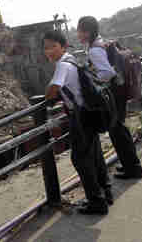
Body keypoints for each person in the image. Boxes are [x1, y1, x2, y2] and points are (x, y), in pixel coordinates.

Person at [43, 30, 111, 215]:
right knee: (95, 155)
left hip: (80, 116)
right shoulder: (72, 59)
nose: (49, 51)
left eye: (53, 47)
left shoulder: (62, 65)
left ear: (63, 46)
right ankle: (106, 192)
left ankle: (96, 202)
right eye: (46, 48)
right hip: (89, 112)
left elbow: (54, 88)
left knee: (80, 159)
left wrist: (46, 97)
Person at [77, 16, 142, 180]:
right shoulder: (102, 42)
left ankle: (133, 169)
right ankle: (132, 165)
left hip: (113, 94)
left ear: (87, 32)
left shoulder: (94, 49)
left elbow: (107, 73)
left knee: (117, 131)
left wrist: (94, 80)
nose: (78, 34)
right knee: (119, 129)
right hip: (119, 90)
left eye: (79, 30)